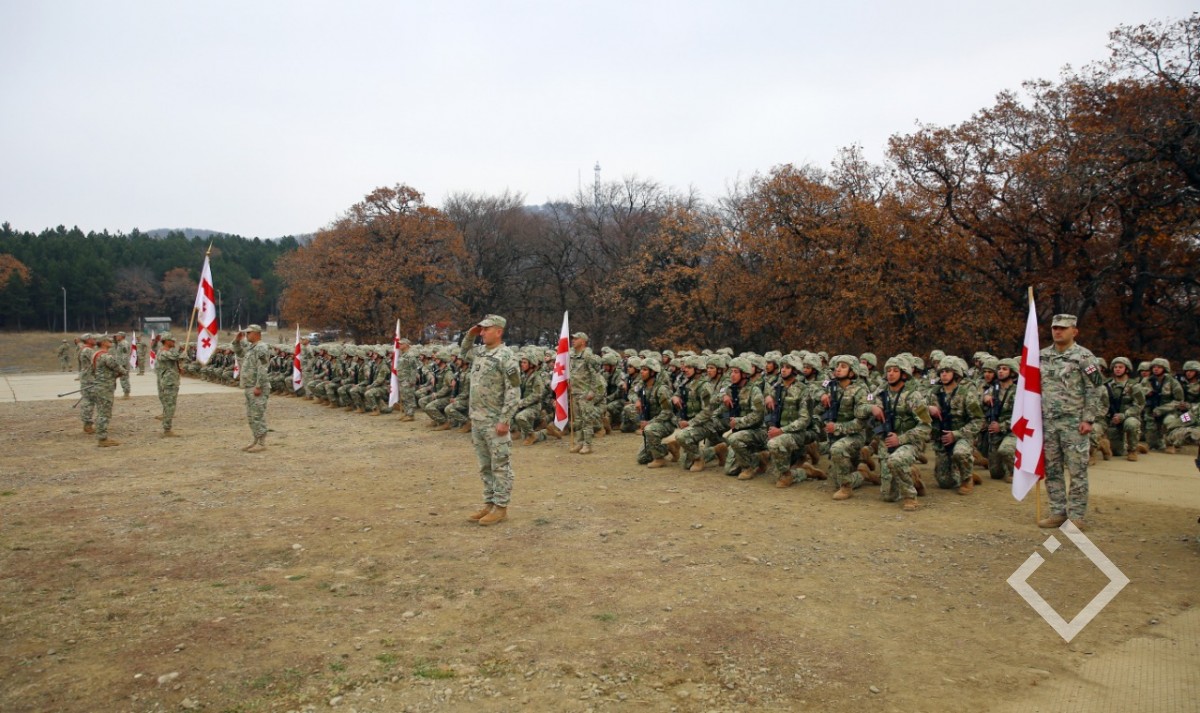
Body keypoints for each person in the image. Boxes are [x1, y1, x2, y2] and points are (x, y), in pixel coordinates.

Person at [1038, 314, 1104, 529]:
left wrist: (1088, 419)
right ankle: (1057, 512)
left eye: (1063, 328)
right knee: (1052, 470)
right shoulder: (1042, 356)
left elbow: (1095, 388)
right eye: (1055, 328)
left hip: (1074, 423)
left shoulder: (1084, 357)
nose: (1058, 331)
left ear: (1074, 331)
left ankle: (1076, 515)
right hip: (1048, 423)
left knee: (1077, 471)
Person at [459, 315, 521, 526]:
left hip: (495, 421)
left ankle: (501, 507)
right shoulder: (480, 352)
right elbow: (463, 353)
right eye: (482, 329)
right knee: (485, 465)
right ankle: (489, 503)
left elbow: (513, 390)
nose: (482, 333)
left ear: (499, 331)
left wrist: (505, 420)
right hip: (478, 419)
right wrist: (470, 335)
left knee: (500, 465)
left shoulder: (506, 356)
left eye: (486, 329)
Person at [233, 324, 271, 452]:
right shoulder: (251, 348)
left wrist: (258, 386)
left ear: (257, 333)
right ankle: (256, 439)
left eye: (249, 333)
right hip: (249, 386)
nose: (247, 335)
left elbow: (262, 368)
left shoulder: (261, 348)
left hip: (257, 386)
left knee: (257, 415)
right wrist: (237, 341)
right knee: (251, 416)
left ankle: (262, 443)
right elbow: (239, 352)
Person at [91, 334, 128, 447]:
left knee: (101, 411)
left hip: (99, 385)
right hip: (105, 387)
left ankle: (101, 435)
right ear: (103, 342)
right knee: (105, 413)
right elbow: (119, 368)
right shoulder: (106, 356)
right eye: (108, 341)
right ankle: (102, 439)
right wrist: (123, 371)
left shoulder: (95, 354)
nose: (111, 342)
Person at [154, 332, 185, 436]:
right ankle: (167, 429)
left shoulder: (167, 351)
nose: (174, 342)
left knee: (170, 404)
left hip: (171, 381)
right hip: (169, 382)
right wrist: (182, 353)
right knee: (170, 405)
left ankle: (167, 427)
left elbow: (175, 360)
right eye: (172, 341)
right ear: (166, 341)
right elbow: (176, 357)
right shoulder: (164, 352)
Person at [112, 332, 132, 398]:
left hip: (123, 364)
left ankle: (126, 394)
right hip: (120, 363)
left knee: (124, 378)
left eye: (118, 336)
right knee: (122, 378)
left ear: (122, 336)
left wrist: (122, 365)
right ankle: (126, 393)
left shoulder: (124, 343)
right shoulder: (120, 343)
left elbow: (125, 354)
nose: (117, 337)